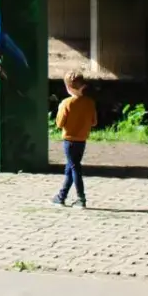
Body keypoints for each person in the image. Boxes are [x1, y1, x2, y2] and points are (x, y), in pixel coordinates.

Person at [52, 70, 97, 209]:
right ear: (83, 86)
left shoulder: (66, 103)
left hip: (69, 141)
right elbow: (94, 122)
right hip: (82, 140)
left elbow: (59, 123)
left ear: (68, 87)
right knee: (71, 167)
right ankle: (61, 196)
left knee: (74, 168)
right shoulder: (89, 103)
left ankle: (80, 198)